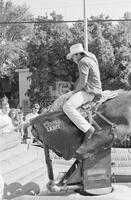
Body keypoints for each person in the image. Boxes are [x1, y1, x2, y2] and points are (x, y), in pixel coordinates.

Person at [63, 43, 102, 155]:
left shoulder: (82, 62)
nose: (73, 59)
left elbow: (83, 82)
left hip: (89, 92)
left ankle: (87, 128)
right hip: (95, 90)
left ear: (77, 54)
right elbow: (82, 80)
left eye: (73, 57)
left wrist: (73, 92)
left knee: (67, 106)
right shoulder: (91, 59)